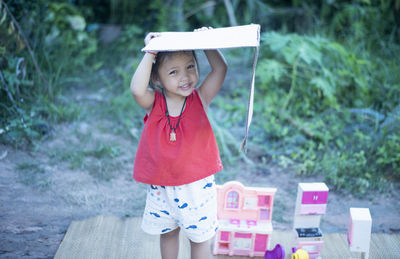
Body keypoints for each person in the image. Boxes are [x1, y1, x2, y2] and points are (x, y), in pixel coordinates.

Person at [130, 27, 228, 259]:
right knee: (168, 233)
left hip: (196, 188)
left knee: (200, 238)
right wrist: (150, 52)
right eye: (173, 72)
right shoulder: (153, 103)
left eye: (190, 67)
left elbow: (221, 69)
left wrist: (207, 42)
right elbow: (136, 88)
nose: (185, 77)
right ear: (157, 78)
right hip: (162, 187)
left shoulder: (200, 99)